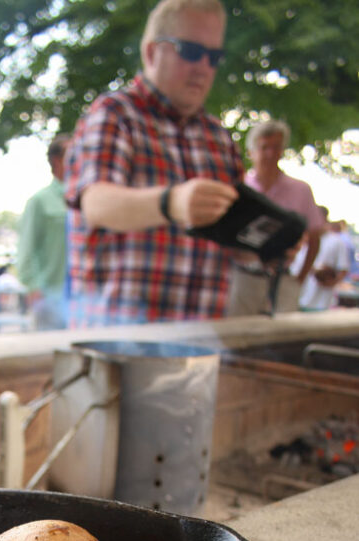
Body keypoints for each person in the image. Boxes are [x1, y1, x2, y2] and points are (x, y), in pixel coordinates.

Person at [64, 0, 241, 325]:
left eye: (214, 57)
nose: (203, 67)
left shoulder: (218, 137)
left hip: (199, 346)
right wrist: (171, 202)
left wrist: (270, 241)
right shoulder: (115, 114)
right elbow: (97, 204)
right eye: (189, 51)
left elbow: (234, 235)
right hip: (116, 347)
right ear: (150, 52)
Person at [227, 120, 325, 316]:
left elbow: (315, 236)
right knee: (238, 338)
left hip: (284, 279)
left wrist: (300, 278)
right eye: (264, 147)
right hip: (243, 279)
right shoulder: (238, 189)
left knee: (282, 341)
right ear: (251, 152)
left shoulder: (300, 190)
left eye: (276, 147)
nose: (271, 154)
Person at [16, 134, 71, 329]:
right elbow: (25, 250)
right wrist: (35, 289)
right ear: (57, 160)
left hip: (82, 300)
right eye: (73, 154)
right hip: (50, 298)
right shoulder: (40, 201)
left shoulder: (87, 199)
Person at [296, 211, 350, 311]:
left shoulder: (336, 241)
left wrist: (330, 281)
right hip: (299, 297)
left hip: (321, 302)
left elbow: (343, 269)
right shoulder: (302, 238)